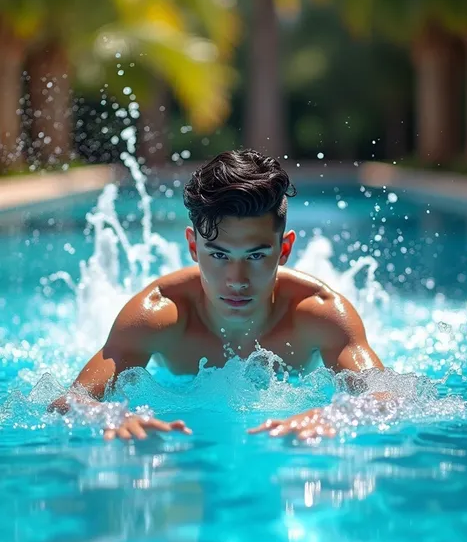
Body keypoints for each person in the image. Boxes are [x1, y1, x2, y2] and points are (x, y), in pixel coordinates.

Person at [50, 149, 383, 440]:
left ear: (284, 249)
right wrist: (110, 416)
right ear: (193, 247)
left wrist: (331, 415)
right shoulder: (158, 315)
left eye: (255, 256)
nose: (236, 281)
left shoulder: (319, 314)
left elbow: (389, 397)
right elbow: (68, 402)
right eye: (219, 255)